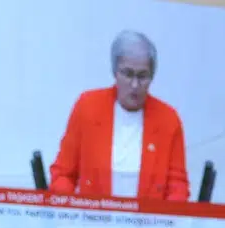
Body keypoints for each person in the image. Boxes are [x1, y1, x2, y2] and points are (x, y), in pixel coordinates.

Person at [49, 30, 190, 201]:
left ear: (152, 76)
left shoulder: (169, 120)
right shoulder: (87, 107)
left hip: (149, 217)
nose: (135, 85)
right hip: (92, 216)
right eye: (128, 74)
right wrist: (72, 209)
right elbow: (62, 175)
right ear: (115, 72)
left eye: (142, 76)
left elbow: (177, 187)